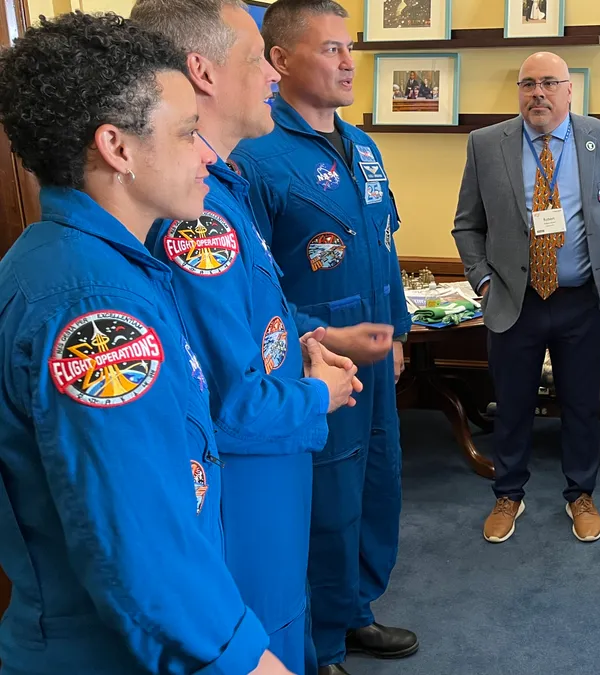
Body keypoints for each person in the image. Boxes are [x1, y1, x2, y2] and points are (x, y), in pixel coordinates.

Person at [0, 11, 292, 675]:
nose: (205, 155)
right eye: (188, 132)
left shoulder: (78, 262)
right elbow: (138, 541)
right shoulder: (96, 311)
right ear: (119, 147)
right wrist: (243, 657)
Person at [128, 1, 372, 672]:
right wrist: (318, 391)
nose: (273, 71)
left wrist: (308, 339)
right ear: (202, 71)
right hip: (246, 483)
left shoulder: (223, 186)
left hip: (276, 463)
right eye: (258, 57)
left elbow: (253, 321)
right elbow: (228, 401)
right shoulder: (195, 213)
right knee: (262, 637)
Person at [231, 1, 415, 673]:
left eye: (350, 47)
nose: (347, 62)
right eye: (330, 49)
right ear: (279, 62)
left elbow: (383, 247)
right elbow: (252, 282)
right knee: (323, 504)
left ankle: (356, 610)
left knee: (377, 485)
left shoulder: (363, 146)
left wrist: (396, 333)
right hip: (314, 364)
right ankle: (320, 641)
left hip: (372, 357)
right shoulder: (253, 158)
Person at [451, 51, 600, 545]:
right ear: (518, 91)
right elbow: (467, 223)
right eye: (527, 84)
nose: (537, 93)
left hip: (581, 300)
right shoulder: (485, 144)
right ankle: (508, 493)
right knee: (511, 404)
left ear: (568, 90)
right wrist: (481, 280)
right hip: (514, 301)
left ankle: (580, 494)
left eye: (548, 83)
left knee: (581, 405)